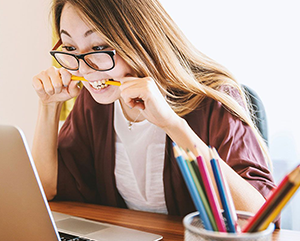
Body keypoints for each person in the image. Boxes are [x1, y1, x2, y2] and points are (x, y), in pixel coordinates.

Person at [32, 0, 277, 222]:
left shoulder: (213, 99)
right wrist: (49, 106)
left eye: (98, 46)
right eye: (71, 48)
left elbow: (259, 217)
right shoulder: (94, 103)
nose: (85, 69)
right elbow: (46, 188)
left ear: (139, 38)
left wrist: (172, 124)